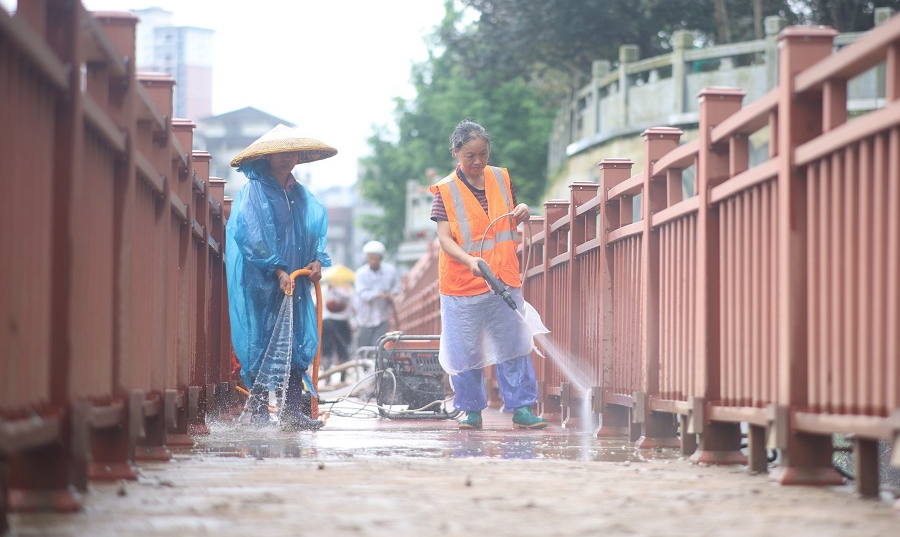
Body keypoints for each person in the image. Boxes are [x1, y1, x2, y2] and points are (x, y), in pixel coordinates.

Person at [429, 120, 547, 430]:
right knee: (465, 349)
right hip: (462, 282)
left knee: (514, 343)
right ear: (456, 152)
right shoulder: (445, 190)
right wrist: (469, 260)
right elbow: (444, 238)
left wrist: (523, 209)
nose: (478, 161)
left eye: (483, 154)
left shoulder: (500, 178)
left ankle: (522, 408)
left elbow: (510, 215)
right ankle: (471, 411)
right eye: (470, 155)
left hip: (503, 276)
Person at [225, 124, 335, 431]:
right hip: (262, 281)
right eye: (282, 154)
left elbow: (313, 232)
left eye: (292, 153)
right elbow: (252, 236)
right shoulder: (254, 191)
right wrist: (276, 269)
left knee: (295, 342)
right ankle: (260, 412)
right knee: (262, 341)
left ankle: (291, 412)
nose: (288, 159)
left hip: (295, 282)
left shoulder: (300, 194)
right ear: (269, 156)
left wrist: (316, 260)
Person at [353, 240, 401, 349]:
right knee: (365, 347)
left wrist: (392, 295)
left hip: (383, 316)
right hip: (365, 317)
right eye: (371, 258)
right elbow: (363, 294)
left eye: (376, 258)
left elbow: (396, 288)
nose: (374, 261)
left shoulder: (390, 271)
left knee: (379, 346)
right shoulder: (361, 273)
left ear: (381, 258)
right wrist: (379, 294)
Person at [320, 282, 353, 383]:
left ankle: (328, 376)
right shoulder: (348, 291)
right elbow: (353, 307)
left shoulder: (324, 289)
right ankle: (341, 376)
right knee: (342, 350)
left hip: (330, 321)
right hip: (340, 322)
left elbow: (315, 304)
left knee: (328, 350)